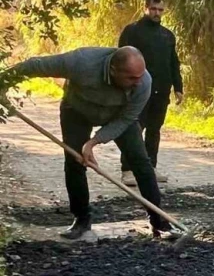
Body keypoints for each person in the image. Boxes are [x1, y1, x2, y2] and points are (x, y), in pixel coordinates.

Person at [11, 47, 178, 239]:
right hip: (77, 111)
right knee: (74, 162)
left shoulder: (144, 83)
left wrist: (93, 142)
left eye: (140, 76)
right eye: (131, 78)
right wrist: (3, 83)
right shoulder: (81, 62)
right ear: (114, 70)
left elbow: (125, 120)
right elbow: (34, 66)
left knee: (141, 162)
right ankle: (81, 219)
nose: (138, 81)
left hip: (119, 115)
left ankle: (159, 222)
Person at [118, 0, 183, 186]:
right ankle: (128, 169)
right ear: (145, 8)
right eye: (153, 9)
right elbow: (121, 58)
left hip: (161, 90)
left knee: (154, 130)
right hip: (137, 90)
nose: (157, 13)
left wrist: (178, 87)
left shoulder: (167, 35)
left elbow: (173, 62)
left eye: (160, 10)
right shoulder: (132, 31)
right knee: (134, 129)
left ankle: (150, 168)